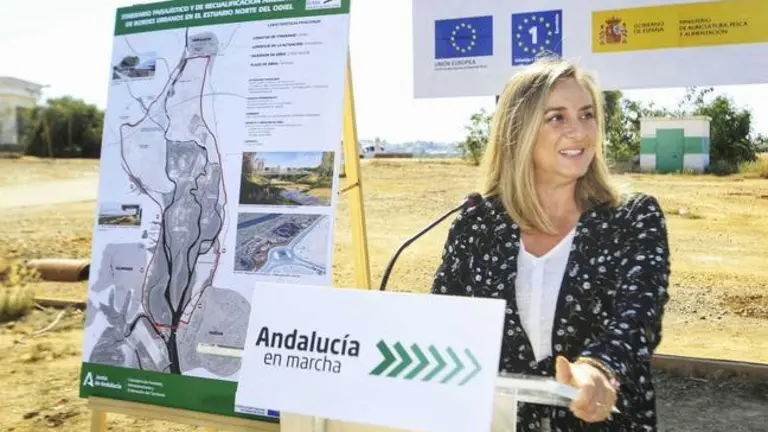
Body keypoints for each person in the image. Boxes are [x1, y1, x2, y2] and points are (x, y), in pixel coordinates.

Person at [431, 57, 671, 431]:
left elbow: (638, 320)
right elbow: (443, 325)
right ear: (518, 131)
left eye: (587, 115)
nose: (580, 131)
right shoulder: (476, 224)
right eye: (557, 117)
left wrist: (597, 370)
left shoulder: (632, 217)